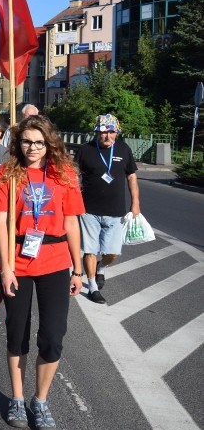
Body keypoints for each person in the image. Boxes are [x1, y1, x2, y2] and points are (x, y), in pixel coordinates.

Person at [0, 115, 85, 430]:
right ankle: (17, 397)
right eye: (27, 141)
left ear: (49, 143)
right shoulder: (7, 174)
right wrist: (5, 266)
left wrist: (78, 268)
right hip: (17, 262)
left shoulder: (64, 174)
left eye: (39, 142)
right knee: (17, 333)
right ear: (18, 142)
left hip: (55, 262)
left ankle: (40, 400)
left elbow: (72, 222)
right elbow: (1, 223)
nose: (32, 147)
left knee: (53, 337)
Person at [74, 114, 139, 304]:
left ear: (117, 133)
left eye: (111, 132)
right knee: (90, 250)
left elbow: (131, 177)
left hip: (115, 211)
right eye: (103, 132)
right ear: (96, 133)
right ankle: (92, 286)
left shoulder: (124, 149)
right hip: (88, 210)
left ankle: (102, 266)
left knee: (113, 252)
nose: (107, 136)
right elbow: (74, 176)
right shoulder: (85, 150)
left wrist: (135, 203)